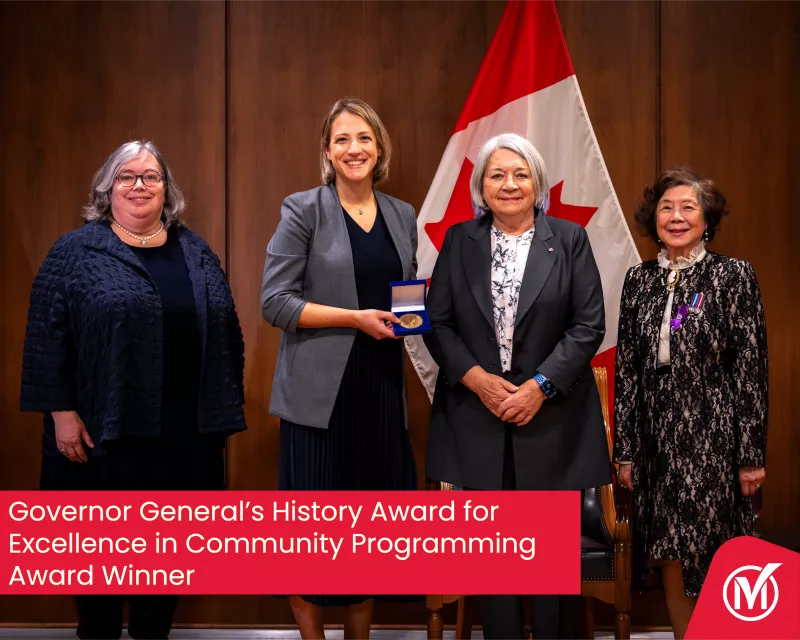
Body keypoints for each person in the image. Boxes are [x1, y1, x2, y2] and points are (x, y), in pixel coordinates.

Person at [20, 140, 246, 640]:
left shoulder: (195, 251)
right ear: (107, 188)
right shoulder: (75, 251)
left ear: (167, 190)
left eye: (151, 176)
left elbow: (227, 334)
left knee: (166, 562)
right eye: (127, 176)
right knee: (98, 561)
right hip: (103, 437)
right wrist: (60, 412)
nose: (139, 185)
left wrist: (220, 412)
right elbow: (45, 337)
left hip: (183, 437)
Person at [423, 133, 610, 639]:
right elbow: (438, 322)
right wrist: (476, 379)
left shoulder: (568, 239)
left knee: (549, 569)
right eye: (497, 175)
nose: (509, 184)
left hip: (552, 421)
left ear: (538, 183)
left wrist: (539, 387)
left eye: (521, 174)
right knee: (495, 562)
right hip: (477, 417)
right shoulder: (459, 241)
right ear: (481, 187)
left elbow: (588, 325)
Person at [260, 98, 418, 639]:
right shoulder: (303, 209)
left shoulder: (401, 214)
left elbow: (405, 293)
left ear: (380, 148)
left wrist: (411, 318)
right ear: (327, 151)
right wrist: (354, 318)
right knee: (312, 537)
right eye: (343, 139)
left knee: (369, 536)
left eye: (364, 138)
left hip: (381, 389)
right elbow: (275, 302)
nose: (354, 149)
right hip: (319, 400)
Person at [613, 167, 768, 639]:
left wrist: (750, 456)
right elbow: (627, 371)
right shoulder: (639, 280)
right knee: (669, 550)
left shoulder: (731, 275)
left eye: (688, 207)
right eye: (666, 208)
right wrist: (625, 451)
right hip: (655, 438)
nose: (676, 217)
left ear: (707, 219)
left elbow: (751, 370)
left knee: (712, 547)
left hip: (713, 434)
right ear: (653, 218)